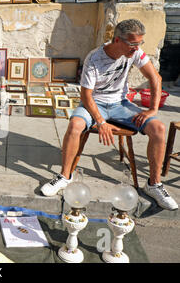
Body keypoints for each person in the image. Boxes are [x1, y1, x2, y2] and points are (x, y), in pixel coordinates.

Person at [40, 19, 178, 211]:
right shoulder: (94, 58)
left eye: (139, 43)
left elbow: (155, 78)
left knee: (158, 128)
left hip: (120, 104)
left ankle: (154, 184)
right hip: (94, 103)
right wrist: (101, 121)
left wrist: (152, 109)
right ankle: (64, 176)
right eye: (132, 44)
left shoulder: (135, 52)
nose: (136, 48)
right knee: (75, 125)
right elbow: (86, 95)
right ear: (116, 40)